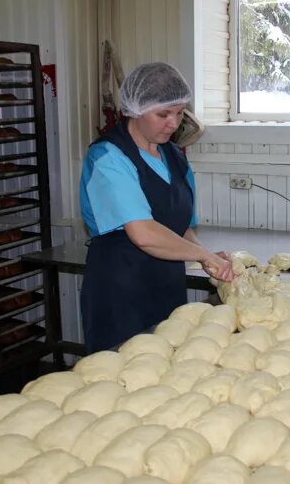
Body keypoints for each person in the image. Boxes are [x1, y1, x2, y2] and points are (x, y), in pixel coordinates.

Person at [79, 62, 235, 352]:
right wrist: (202, 255)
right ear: (135, 110)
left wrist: (205, 256)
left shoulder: (174, 156)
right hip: (120, 293)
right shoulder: (108, 159)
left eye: (179, 113)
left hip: (167, 287)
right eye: (163, 114)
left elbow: (181, 226)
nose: (174, 124)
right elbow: (144, 233)